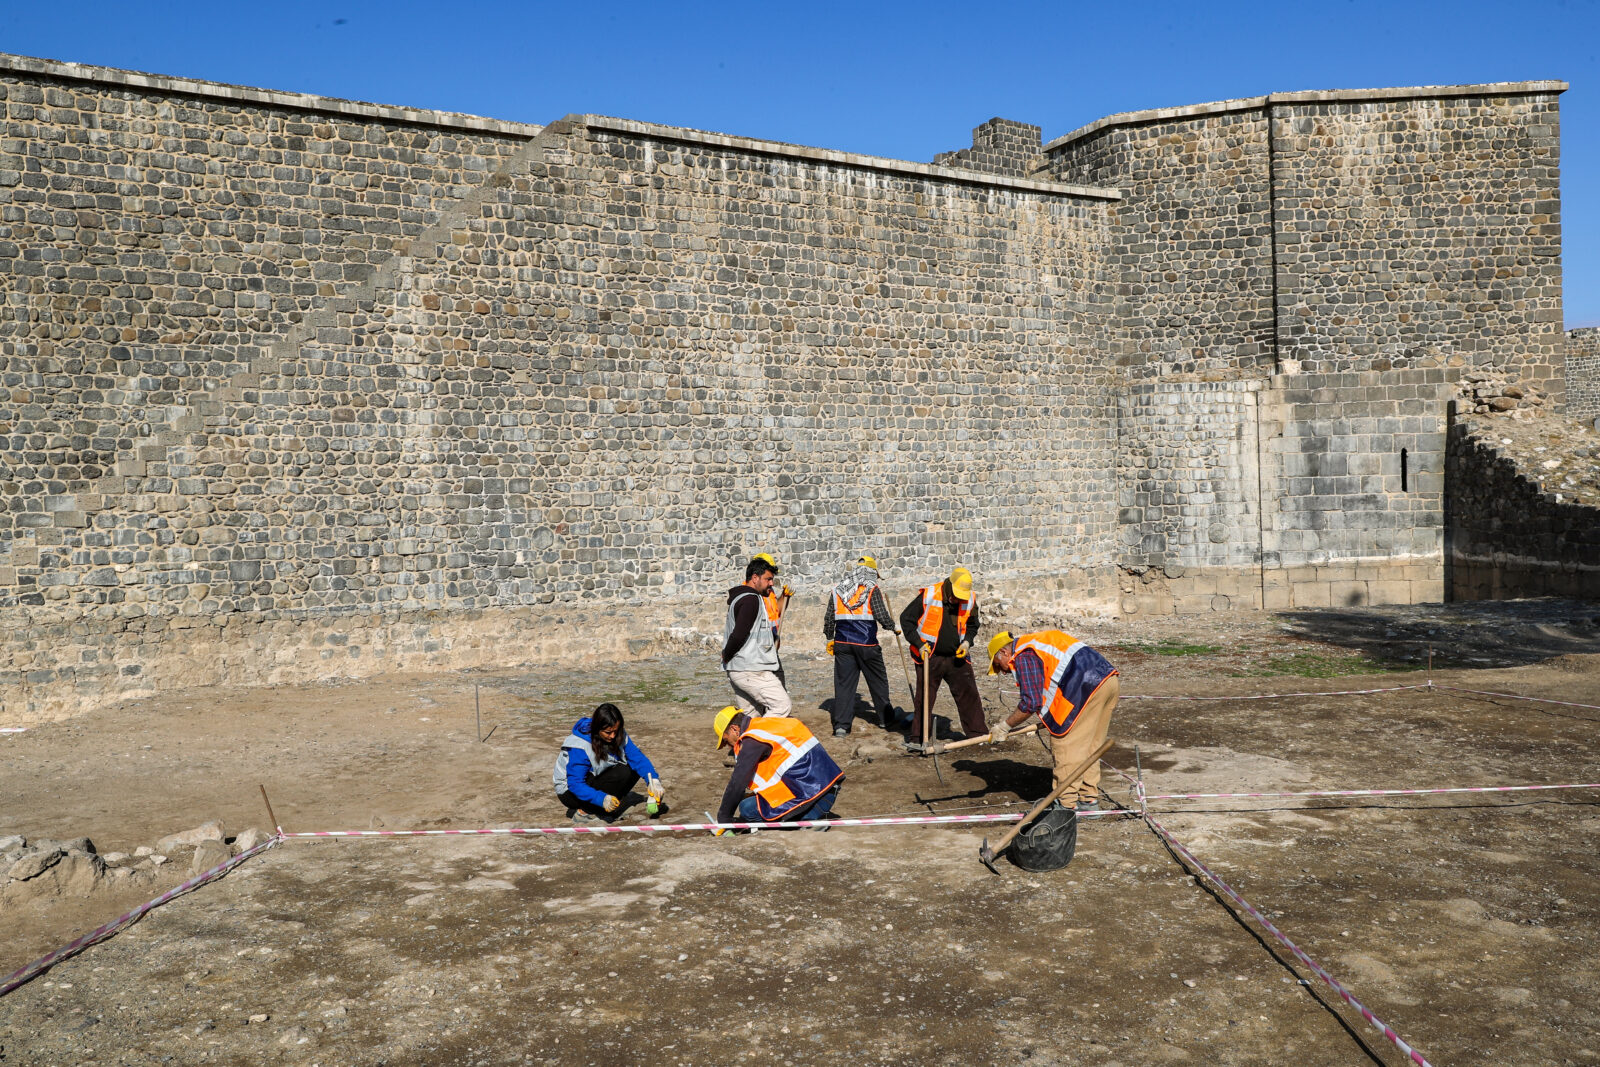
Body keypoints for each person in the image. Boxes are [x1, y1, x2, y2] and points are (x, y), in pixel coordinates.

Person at [986, 630, 1119, 812]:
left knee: (1066, 745)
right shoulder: (1037, 643)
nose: (1003, 670)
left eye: (998, 664)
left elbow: (1031, 702)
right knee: (1090, 746)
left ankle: (1066, 805)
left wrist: (1005, 726)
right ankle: (1088, 799)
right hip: (1107, 681)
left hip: (1086, 689)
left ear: (1004, 653)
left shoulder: (1024, 655)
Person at [709, 706, 843, 833]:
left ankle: (808, 821)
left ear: (734, 729)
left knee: (747, 809)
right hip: (827, 785)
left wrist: (724, 820)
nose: (729, 747)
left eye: (726, 741)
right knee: (752, 799)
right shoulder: (767, 725)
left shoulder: (753, 740)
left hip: (814, 795)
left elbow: (737, 782)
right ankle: (809, 817)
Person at [898, 566, 985, 745]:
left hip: (957, 656)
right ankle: (918, 739)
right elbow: (906, 619)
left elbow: (973, 624)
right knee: (924, 698)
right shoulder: (930, 595)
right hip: (930, 656)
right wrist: (919, 645)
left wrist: (967, 642)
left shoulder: (969, 599)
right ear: (949, 585)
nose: (958, 599)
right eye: (956, 595)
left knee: (969, 694)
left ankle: (978, 735)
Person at [821, 555, 904, 736]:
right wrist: (893, 627)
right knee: (878, 682)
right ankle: (885, 718)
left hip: (842, 644)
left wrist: (830, 638)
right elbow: (881, 614)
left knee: (844, 685)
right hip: (866, 644)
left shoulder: (838, 590)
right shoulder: (871, 588)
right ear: (871, 572)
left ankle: (842, 726)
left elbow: (829, 618)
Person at [553, 703, 665, 821]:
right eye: (607, 732)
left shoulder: (618, 734)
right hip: (569, 792)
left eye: (615, 731)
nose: (612, 736)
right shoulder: (580, 746)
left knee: (633, 767)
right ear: (597, 729)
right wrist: (602, 799)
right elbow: (575, 784)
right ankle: (584, 812)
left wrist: (653, 781)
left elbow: (638, 758)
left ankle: (604, 808)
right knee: (620, 773)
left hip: (594, 779)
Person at [721, 556, 793, 717]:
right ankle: (759, 740)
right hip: (750, 668)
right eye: (768, 579)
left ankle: (748, 740)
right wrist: (726, 655)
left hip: (740, 667)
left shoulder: (741, 598)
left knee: (751, 716)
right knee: (782, 705)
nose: (771, 583)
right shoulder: (750, 600)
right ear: (755, 578)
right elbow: (739, 635)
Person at [753, 552, 793, 688]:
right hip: (760, 652)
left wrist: (785, 595)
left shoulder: (769, 592)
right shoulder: (752, 594)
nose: (771, 581)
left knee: (778, 688)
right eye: (768, 577)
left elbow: (778, 611)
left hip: (772, 647)